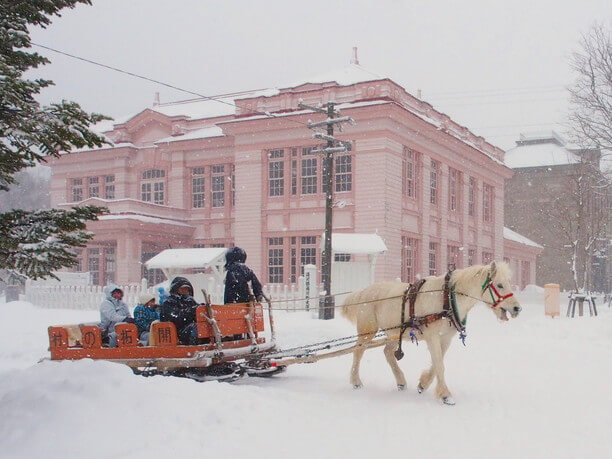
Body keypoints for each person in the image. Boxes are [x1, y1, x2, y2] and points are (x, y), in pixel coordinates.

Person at [160, 277, 200, 345]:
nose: (185, 290)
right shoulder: (169, 303)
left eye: (187, 289)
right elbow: (175, 318)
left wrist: (202, 308)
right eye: (182, 288)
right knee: (196, 327)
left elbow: (197, 312)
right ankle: (194, 346)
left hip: (189, 328)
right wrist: (191, 311)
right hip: (176, 332)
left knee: (205, 326)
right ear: (175, 289)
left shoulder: (190, 301)